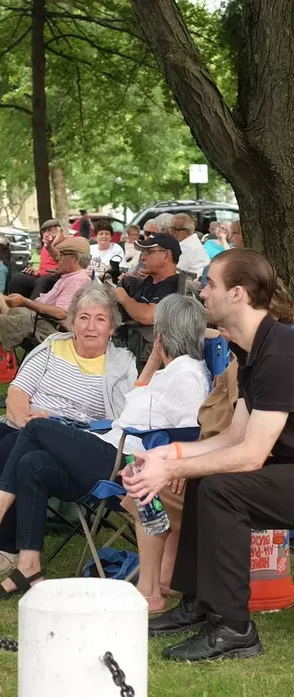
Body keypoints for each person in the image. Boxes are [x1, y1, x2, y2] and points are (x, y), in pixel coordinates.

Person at [0, 295, 210, 600]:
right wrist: (155, 361)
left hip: (128, 467)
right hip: (109, 450)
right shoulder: (166, 372)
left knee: (38, 428)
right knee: (33, 464)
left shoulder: (187, 375)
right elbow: (135, 402)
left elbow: (191, 432)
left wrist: (175, 466)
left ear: (162, 332)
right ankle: (29, 568)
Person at [122, 249, 294, 662]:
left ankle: (234, 628)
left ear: (237, 294)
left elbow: (251, 455)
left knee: (222, 489)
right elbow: (233, 435)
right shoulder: (254, 349)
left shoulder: (281, 353)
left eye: (210, 284)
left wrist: (172, 470)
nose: (201, 292)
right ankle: (199, 603)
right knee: (205, 479)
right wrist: (168, 453)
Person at [0, 285, 138, 572]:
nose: (91, 326)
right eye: (83, 317)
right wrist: (24, 420)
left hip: (69, 441)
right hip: (21, 422)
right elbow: (17, 392)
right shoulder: (53, 346)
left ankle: (8, 550)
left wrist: (56, 429)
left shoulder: (121, 365)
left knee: (9, 451)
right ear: (72, 322)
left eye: (100, 319)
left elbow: (120, 420)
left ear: (112, 328)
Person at [0, 236, 92, 352]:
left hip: (47, 328)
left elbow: (61, 313)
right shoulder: (71, 276)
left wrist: (26, 302)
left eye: (62, 255)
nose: (58, 258)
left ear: (75, 259)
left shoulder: (77, 281)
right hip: (38, 319)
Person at [115, 234, 182, 327]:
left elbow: (148, 317)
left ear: (166, 256)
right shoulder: (151, 280)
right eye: (143, 253)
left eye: (148, 252)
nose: (143, 258)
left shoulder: (173, 286)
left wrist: (124, 298)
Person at [11, 219, 67, 299]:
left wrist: (53, 243)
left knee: (43, 281)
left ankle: (32, 307)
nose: (47, 234)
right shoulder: (45, 246)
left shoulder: (68, 244)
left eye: (50, 230)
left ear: (60, 231)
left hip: (58, 278)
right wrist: (36, 272)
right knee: (18, 277)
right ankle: (16, 304)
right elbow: (43, 268)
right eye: (44, 232)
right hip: (42, 277)